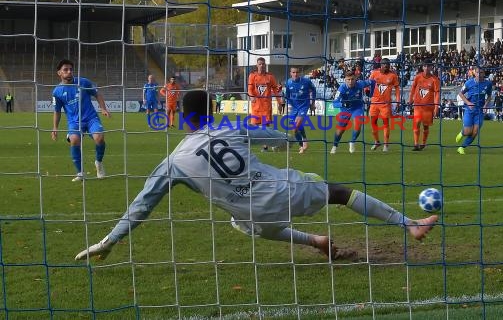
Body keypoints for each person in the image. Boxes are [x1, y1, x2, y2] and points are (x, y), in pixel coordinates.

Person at [74, 90, 438, 262]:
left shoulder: (173, 163)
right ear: (213, 110)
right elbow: (278, 139)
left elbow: (141, 207)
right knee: (338, 193)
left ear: (182, 119)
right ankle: (409, 224)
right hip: (284, 188)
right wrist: (283, 141)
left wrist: (109, 241)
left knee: (243, 223)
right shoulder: (231, 127)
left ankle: (316, 242)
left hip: (252, 217)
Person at [51, 59, 109, 181]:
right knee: (74, 140)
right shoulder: (57, 91)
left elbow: (97, 94)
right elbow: (57, 111)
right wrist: (55, 127)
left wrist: (103, 108)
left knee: (99, 138)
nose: (69, 71)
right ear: (59, 73)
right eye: (65, 69)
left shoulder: (83, 82)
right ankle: (80, 173)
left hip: (91, 117)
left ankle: (98, 162)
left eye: (71, 69)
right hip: (74, 122)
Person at [330, 71, 374, 154]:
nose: (350, 81)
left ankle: (352, 142)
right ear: (345, 80)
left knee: (358, 125)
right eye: (348, 79)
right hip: (345, 110)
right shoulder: (341, 88)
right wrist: (342, 103)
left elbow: (372, 81)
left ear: (356, 79)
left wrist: (371, 94)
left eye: (352, 79)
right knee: (340, 131)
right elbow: (334, 103)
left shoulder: (360, 84)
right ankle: (335, 145)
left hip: (357, 108)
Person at [455, 67, 493, 155]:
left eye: (481, 72)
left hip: (479, 111)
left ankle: (462, 147)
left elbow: (490, 96)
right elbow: (460, 93)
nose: (479, 74)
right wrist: (468, 103)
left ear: (484, 73)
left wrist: (485, 105)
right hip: (470, 110)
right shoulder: (469, 83)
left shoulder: (488, 84)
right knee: (468, 131)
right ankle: (462, 133)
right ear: (474, 73)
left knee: (475, 132)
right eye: (477, 72)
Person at [247, 57, 279, 152]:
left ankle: (266, 146)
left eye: (263, 64)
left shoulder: (270, 76)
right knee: (253, 127)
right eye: (260, 64)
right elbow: (249, 88)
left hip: (266, 107)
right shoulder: (252, 76)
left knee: (266, 127)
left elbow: (275, 90)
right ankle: (249, 145)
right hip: (256, 106)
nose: (261, 66)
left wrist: (279, 101)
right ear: (257, 65)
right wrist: (251, 96)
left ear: (265, 65)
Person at [368, 58, 400, 152]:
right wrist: (366, 90)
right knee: (373, 122)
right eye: (384, 65)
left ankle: (386, 144)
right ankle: (377, 141)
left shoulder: (393, 75)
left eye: (388, 65)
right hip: (374, 103)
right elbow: (369, 83)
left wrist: (397, 100)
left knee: (385, 123)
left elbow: (397, 88)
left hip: (385, 104)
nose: (386, 66)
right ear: (381, 65)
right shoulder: (374, 73)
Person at [408, 60, 440, 151]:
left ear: (431, 68)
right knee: (416, 123)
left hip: (428, 107)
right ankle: (416, 144)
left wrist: (436, 107)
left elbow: (437, 94)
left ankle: (423, 143)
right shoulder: (418, 77)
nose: (426, 68)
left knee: (425, 126)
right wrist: (410, 99)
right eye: (425, 66)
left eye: (428, 66)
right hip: (418, 105)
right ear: (423, 67)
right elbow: (413, 88)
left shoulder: (435, 79)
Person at [284, 67, 316, 154]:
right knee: (296, 127)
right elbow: (287, 95)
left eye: (297, 72)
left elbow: (314, 90)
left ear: (299, 73)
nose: (295, 74)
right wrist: (288, 104)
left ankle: (301, 145)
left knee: (295, 128)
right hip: (294, 107)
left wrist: (312, 103)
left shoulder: (306, 81)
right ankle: (304, 140)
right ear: (290, 73)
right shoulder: (288, 82)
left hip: (303, 106)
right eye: (293, 72)